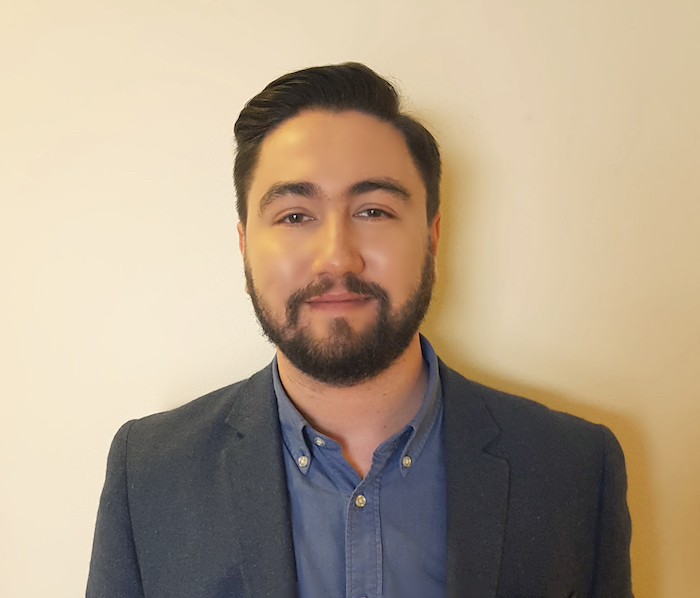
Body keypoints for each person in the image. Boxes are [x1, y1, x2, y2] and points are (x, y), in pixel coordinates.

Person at [86, 63, 633, 598]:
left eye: (373, 211)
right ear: (245, 245)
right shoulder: (150, 473)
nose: (337, 258)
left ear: (432, 237)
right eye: (294, 216)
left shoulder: (574, 469)